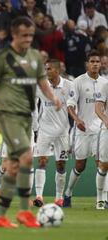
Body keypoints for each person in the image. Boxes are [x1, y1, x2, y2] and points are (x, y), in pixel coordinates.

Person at [0, 16, 61, 228]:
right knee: (27, 157)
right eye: (24, 35)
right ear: (14, 34)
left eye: (31, 35)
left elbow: (42, 83)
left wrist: (53, 98)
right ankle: (25, 211)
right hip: (8, 117)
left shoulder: (34, 56)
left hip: (27, 118)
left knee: (14, 167)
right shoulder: (2, 58)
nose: (28, 39)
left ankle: (0, 216)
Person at [64, 50, 108, 209]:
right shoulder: (78, 81)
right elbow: (70, 104)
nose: (95, 64)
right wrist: (77, 120)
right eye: (92, 61)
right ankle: (68, 193)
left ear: (101, 64)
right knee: (80, 165)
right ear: (87, 64)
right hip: (82, 130)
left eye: (98, 61)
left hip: (100, 130)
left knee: (102, 164)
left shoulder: (105, 83)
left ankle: (102, 200)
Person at [33, 59, 73, 207]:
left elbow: (74, 105)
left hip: (63, 131)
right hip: (44, 130)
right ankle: (39, 197)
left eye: (48, 69)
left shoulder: (69, 86)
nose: (46, 72)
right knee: (42, 161)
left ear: (57, 70)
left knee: (61, 164)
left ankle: (59, 197)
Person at [95, 71, 108, 209]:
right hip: (107, 130)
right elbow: (98, 106)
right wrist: (105, 119)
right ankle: (100, 199)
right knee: (104, 165)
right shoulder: (105, 86)